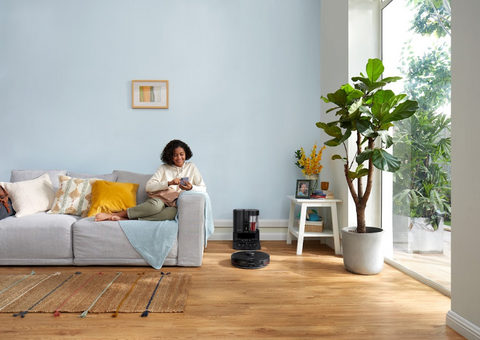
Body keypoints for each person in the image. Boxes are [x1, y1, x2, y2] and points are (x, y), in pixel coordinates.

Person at [95, 139, 206, 222]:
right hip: (160, 199)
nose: (179, 158)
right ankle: (115, 214)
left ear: (186, 154)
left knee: (173, 213)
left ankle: (130, 219)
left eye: (181, 154)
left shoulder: (192, 167)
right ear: (170, 156)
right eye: (175, 155)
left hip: (174, 204)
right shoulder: (163, 168)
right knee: (156, 206)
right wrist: (169, 183)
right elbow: (148, 187)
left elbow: (203, 188)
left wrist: (191, 187)